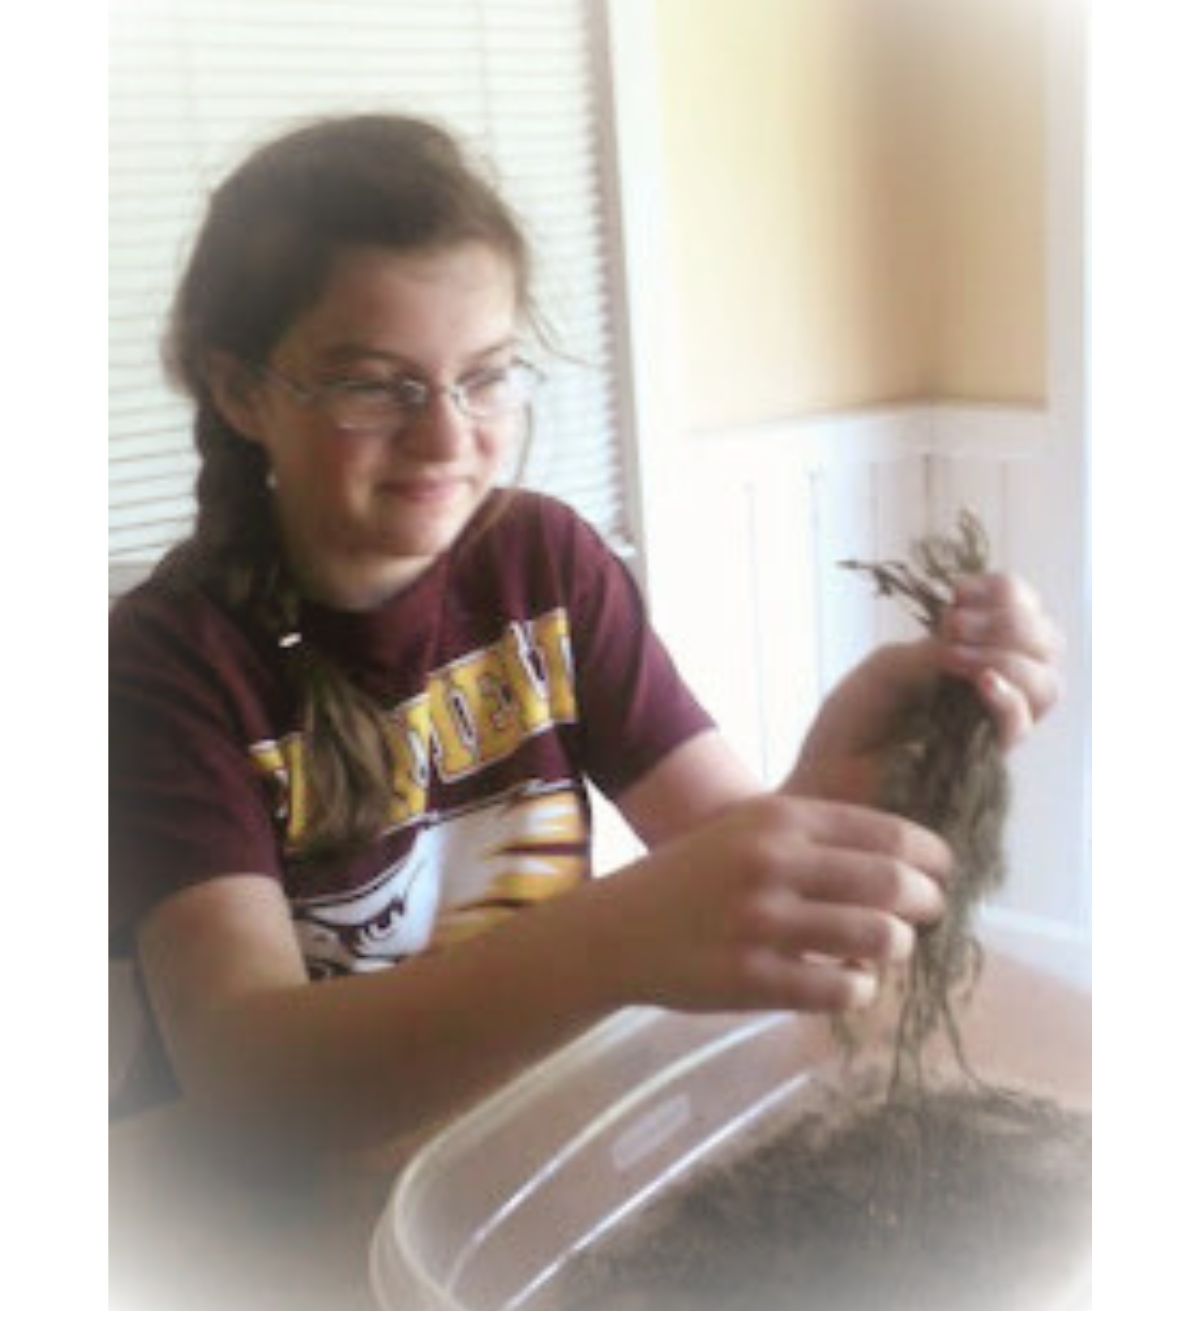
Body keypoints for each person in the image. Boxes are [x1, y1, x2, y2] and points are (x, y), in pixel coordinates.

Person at [109, 114, 1062, 1157]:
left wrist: (855, 777)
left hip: (517, 1146)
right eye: (376, 384)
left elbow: (720, 862)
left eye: (486, 375)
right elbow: (253, 1085)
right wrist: (617, 938)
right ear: (244, 389)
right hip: (273, 1206)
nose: (446, 433)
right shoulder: (166, 664)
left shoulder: (544, 563)